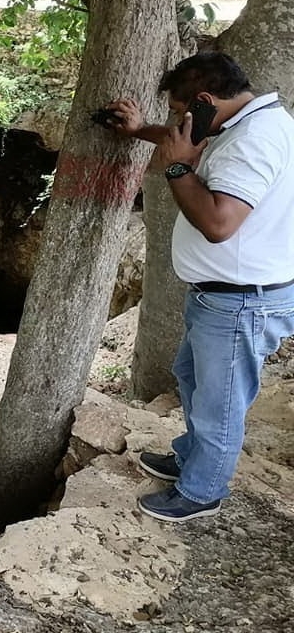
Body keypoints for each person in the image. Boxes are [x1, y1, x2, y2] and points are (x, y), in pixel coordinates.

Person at [109, 52, 294, 522]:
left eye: (179, 112)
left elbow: (218, 223)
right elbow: (189, 145)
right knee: (193, 379)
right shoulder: (243, 124)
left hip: (239, 303)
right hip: (222, 296)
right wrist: (139, 131)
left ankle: (202, 490)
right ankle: (193, 457)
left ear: (206, 101)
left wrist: (175, 170)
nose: (175, 122)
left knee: (220, 401)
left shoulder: (254, 142)